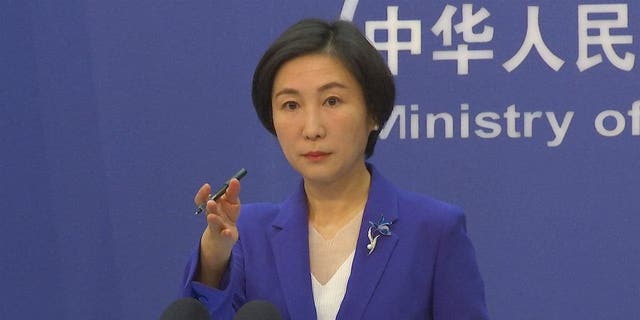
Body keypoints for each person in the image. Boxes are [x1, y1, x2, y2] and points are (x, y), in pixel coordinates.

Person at [181, 18, 489, 319]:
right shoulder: (248, 233)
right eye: (291, 105)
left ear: (373, 113)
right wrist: (214, 256)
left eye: (331, 101)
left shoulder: (432, 230)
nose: (312, 128)